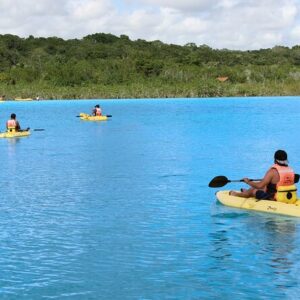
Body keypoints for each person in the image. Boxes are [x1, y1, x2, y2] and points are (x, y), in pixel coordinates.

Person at [230, 150, 297, 202]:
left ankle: (237, 194)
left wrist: (247, 181)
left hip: (273, 198)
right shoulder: (291, 170)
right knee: (265, 186)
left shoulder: (272, 172)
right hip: (287, 197)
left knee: (253, 189)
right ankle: (246, 192)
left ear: (275, 159)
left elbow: (259, 186)